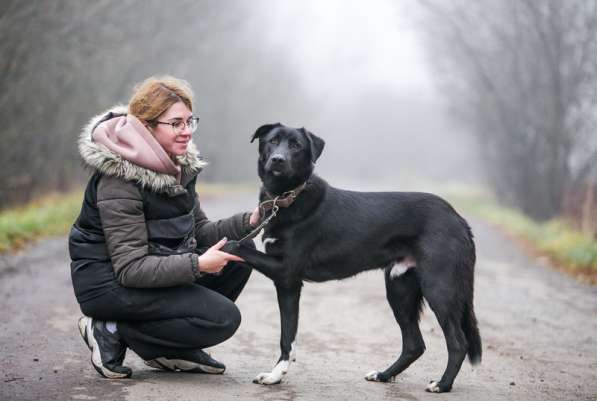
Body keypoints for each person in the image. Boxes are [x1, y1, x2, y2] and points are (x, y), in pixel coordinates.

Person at [69, 76, 260, 379]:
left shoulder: (176, 165)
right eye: (176, 123)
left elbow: (197, 230)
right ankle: (109, 327)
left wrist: (249, 220)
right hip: (110, 284)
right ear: (146, 127)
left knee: (240, 254)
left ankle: (171, 348)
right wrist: (198, 265)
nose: (187, 131)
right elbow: (131, 269)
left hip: (152, 267)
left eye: (189, 121)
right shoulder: (119, 178)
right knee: (223, 318)